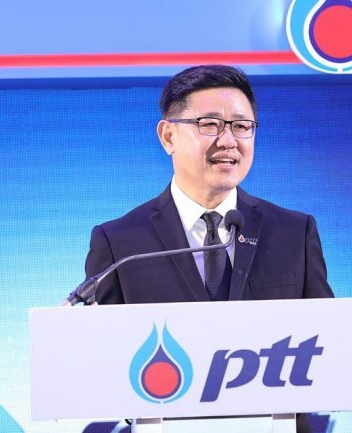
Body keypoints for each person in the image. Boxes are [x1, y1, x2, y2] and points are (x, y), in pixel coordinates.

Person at [84, 64, 334, 433]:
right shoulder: (120, 242)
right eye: (210, 124)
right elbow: (105, 362)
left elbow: (328, 343)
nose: (229, 141)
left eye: (242, 126)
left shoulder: (294, 232)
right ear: (168, 135)